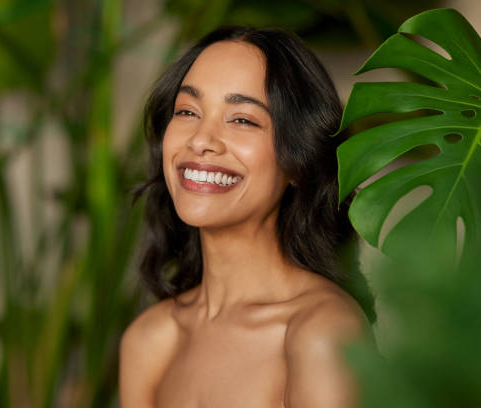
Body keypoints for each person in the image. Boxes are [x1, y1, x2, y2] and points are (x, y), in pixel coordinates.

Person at [119, 26, 377, 408]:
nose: (201, 140)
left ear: (298, 160)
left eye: (242, 120)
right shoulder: (150, 340)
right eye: (188, 111)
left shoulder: (321, 334)